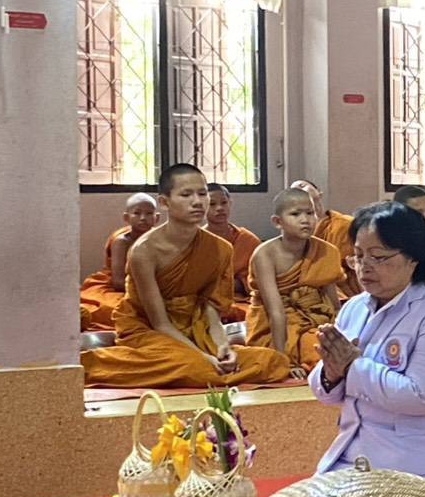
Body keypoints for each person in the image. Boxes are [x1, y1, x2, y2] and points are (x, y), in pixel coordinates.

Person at [308, 201, 425, 497]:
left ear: (413, 258)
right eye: (358, 256)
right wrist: (331, 373)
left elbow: (421, 396)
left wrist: (351, 367)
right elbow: (326, 392)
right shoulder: (355, 307)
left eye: (378, 257)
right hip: (355, 457)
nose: (364, 266)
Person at [81, 164, 291, 388]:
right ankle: (94, 365)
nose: (197, 202)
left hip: (196, 329)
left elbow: (211, 310)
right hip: (148, 331)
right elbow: (160, 323)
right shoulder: (144, 251)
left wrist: (223, 347)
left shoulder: (220, 249)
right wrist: (203, 357)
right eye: (186, 195)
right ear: (164, 202)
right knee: (195, 366)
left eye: (202, 193)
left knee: (272, 361)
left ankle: (207, 369)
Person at [246, 188, 342, 379]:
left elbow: (334, 305)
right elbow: (275, 311)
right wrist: (283, 360)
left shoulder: (327, 251)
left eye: (310, 213)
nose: (305, 220)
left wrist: (340, 335)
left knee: (337, 351)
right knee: (320, 355)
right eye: (295, 214)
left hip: (316, 320)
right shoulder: (265, 254)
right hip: (274, 325)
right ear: (277, 222)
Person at [79, 192, 158, 331]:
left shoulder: (160, 239)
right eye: (137, 213)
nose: (143, 218)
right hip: (118, 288)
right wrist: (146, 293)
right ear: (126, 218)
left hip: (150, 287)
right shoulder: (122, 242)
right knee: (115, 311)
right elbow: (118, 282)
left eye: (149, 213)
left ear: (157, 218)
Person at [290, 178, 360, 298]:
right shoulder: (295, 232)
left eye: (302, 186)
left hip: (343, 285)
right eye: (293, 191)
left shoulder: (346, 224)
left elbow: (356, 261)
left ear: (319, 192)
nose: (298, 191)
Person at [204, 184, 261, 323]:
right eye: (212, 204)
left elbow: (257, 281)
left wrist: (226, 283)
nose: (219, 208)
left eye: (224, 203)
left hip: (241, 301)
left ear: (230, 203)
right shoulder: (195, 240)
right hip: (206, 302)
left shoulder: (248, 240)